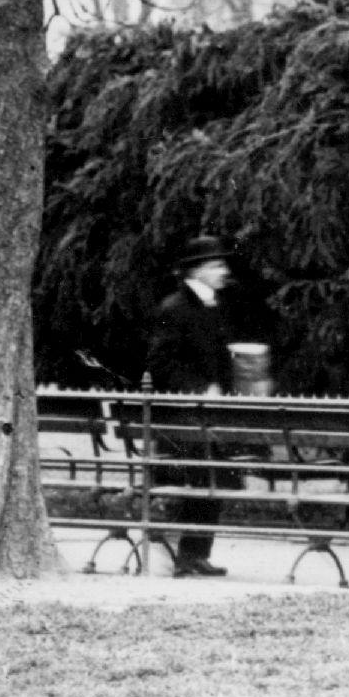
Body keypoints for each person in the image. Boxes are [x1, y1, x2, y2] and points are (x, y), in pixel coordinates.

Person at [144, 236, 237, 578]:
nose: (223, 271)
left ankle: (196, 553)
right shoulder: (175, 308)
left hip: (205, 418)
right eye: (216, 265)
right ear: (196, 271)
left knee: (215, 475)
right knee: (206, 473)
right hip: (181, 420)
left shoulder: (212, 306)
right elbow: (160, 361)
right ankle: (187, 554)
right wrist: (200, 388)